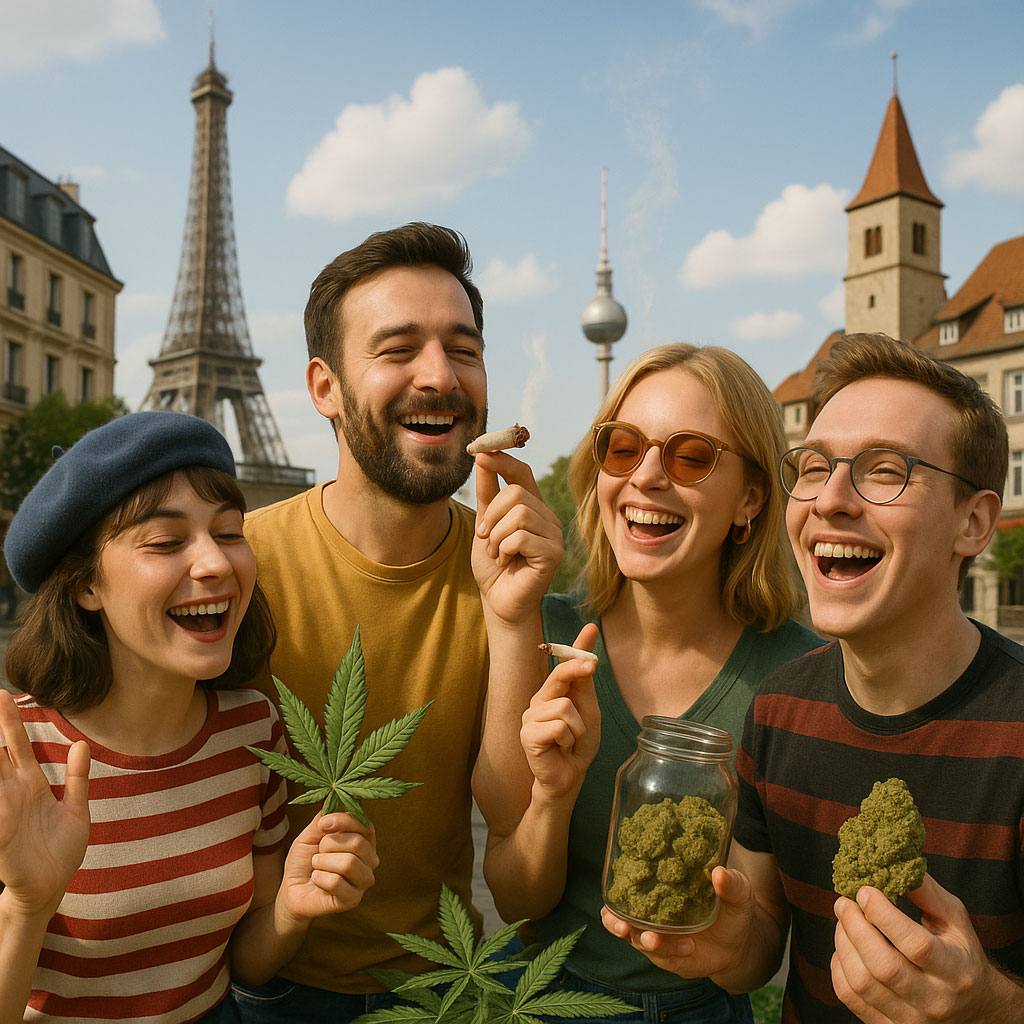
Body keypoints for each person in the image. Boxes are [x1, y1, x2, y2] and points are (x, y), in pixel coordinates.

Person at [603, 333, 1024, 1023]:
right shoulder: (778, 710)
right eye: (816, 466)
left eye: (885, 471)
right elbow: (761, 950)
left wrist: (990, 1008)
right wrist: (725, 942)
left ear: (973, 523)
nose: (829, 501)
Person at [472, 343, 820, 1022]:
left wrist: (720, 950)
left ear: (751, 499)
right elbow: (517, 902)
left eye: (690, 457)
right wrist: (554, 793)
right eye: (623, 448)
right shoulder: (538, 628)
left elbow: (760, 953)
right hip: (545, 1001)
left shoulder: (798, 679)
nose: (647, 478)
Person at [0, 411, 378, 1024]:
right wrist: (26, 905)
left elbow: (247, 967)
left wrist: (290, 908)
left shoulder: (254, 730)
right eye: (165, 542)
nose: (216, 564)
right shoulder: (17, 754)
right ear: (84, 586)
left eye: (230, 532)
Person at [235, 223, 510, 1021]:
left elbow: (524, 862)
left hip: (440, 989)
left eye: (463, 348)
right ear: (324, 387)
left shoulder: (507, 578)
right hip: (257, 986)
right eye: (397, 349)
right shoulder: (234, 572)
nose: (439, 375)